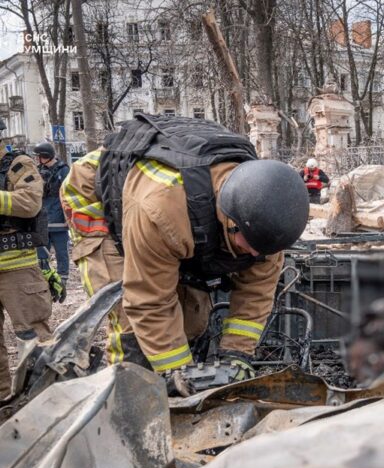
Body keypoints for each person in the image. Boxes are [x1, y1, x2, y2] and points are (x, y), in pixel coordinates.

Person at [60, 113, 308, 392]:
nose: (253, 254)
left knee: (192, 316)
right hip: (99, 198)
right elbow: (149, 300)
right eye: (247, 245)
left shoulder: (266, 222)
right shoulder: (163, 211)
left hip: (180, 211)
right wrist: (176, 373)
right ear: (230, 218)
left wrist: (237, 355)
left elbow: (256, 293)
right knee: (130, 318)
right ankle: (126, 395)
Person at [0, 118, 52, 398]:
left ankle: (44, 403)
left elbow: (30, 203)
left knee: (34, 339)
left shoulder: (18, 165)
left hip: (16, 268)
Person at [33, 142, 71, 297]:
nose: (36, 159)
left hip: (60, 220)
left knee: (62, 252)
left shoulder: (64, 170)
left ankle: (62, 280)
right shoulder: (38, 171)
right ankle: (45, 278)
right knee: (42, 252)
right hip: (43, 220)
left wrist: (68, 217)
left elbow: (68, 194)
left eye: (38, 156)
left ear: (45, 156)